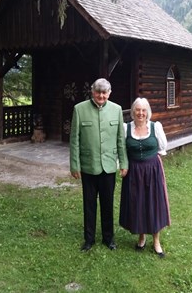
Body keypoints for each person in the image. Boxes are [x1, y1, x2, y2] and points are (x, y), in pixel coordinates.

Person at [70, 78, 128, 252]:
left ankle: (108, 239)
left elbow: (120, 139)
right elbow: (74, 140)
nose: (101, 96)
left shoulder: (116, 109)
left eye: (104, 93)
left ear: (109, 93)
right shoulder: (79, 109)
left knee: (107, 203)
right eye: (98, 92)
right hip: (88, 166)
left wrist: (123, 162)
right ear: (92, 92)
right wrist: (75, 165)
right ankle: (89, 240)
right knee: (89, 204)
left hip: (109, 166)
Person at [119, 97, 170, 258]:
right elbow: (120, 149)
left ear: (147, 112)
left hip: (152, 169)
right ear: (133, 112)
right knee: (138, 202)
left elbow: (163, 147)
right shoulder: (126, 128)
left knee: (154, 202)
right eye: (137, 110)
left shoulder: (155, 127)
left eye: (143, 110)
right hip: (133, 170)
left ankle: (156, 240)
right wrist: (122, 165)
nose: (140, 113)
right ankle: (141, 236)